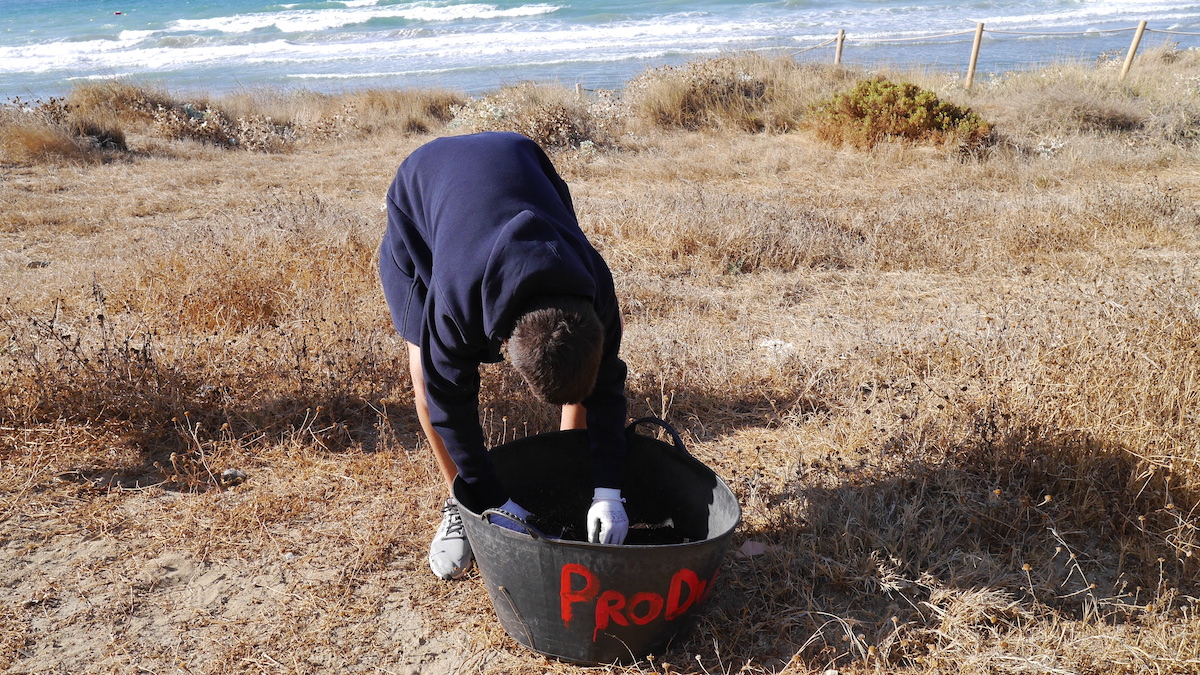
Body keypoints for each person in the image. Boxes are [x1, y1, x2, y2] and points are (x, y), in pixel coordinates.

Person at [379, 131, 630, 580]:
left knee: (581, 379)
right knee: (424, 374)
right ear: (503, 350)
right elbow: (449, 405)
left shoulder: (595, 285)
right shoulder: (455, 303)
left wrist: (607, 488)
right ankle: (461, 505)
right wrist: (491, 498)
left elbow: (607, 383)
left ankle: (571, 474)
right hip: (422, 190)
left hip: (522, 158)